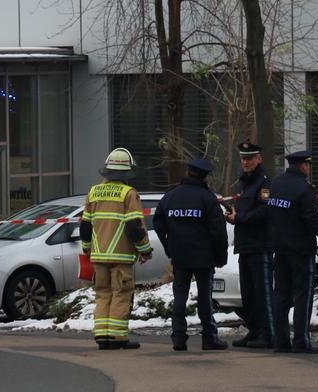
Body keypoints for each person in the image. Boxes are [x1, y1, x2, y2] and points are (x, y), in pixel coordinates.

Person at [80, 148, 154, 350]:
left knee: (102, 293)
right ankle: (118, 337)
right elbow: (134, 227)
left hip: (98, 256)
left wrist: (87, 248)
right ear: (127, 172)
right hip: (121, 257)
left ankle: (102, 336)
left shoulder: (93, 192)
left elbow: (85, 226)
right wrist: (145, 250)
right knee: (121, 294)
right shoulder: (128, 194)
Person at [154, 158, 229, 352]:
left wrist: (168, 245)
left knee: (180, 296)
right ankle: (209, 337)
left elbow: (158, 222)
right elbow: (219, 231)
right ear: (205, 176)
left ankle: (178, 338)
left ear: (188, 173)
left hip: (180, 255)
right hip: (204, 257)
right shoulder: (207, 198)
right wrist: (221, 257)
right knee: (205, 297)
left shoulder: (170, 196)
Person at [267, 150, 318, 354]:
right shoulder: (304, 189)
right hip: (301, 250)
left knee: (281, 295)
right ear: (304, 166)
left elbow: (270, 213)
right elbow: (313, 218)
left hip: (280, 248)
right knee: (303, 296)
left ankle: (280, 340)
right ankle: (301, 341)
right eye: (308, 165)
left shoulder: (276, 185)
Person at [225, 141, 275, 348]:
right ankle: (254, 330)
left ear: (259, 159)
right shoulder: (244, 184)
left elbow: (265, 211)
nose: (245, 162)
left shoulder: (264, 184)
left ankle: (268, 333)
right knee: (248, 292)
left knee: (262, 292)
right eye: (243, 158)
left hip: (260, 246)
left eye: (250, 158)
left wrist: (240, 219)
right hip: (245, 245)